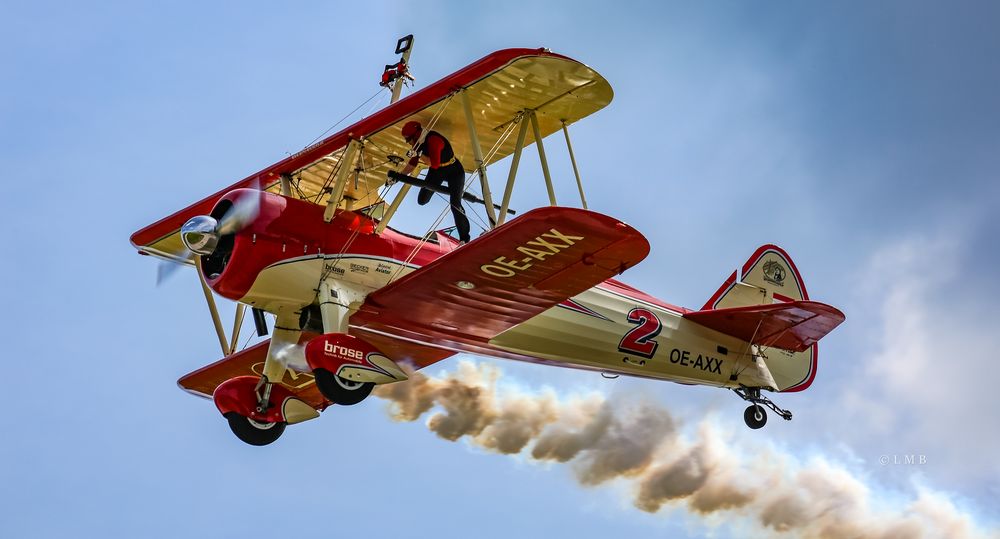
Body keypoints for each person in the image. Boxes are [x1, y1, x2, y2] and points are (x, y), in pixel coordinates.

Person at [398, 121, 471, 244]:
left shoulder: (433, 139)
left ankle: (464, 238)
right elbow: (412, 163)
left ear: (416, 134)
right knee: (422, 200)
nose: (409, 143)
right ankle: (445, 190)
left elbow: (434, 164)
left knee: (455, 204)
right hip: (438, 172)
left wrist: (419, 154)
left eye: (409, 139)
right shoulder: (417, 143)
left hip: (454, 171)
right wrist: (399, 176)